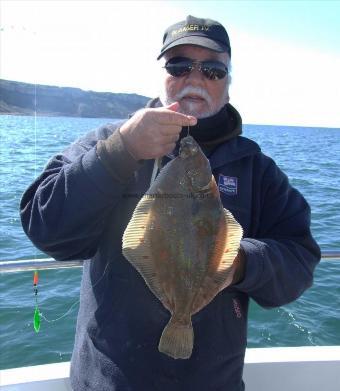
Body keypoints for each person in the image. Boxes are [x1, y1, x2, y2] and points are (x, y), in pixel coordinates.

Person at [20, 15, 321, 391]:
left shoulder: (255, 170)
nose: (195, 79)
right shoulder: (110, 143)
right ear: (162, 74)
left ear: (229, 83)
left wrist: (238, 263)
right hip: (110, 381)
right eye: (179, 66)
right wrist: (121, 150)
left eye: (212, 69)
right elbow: (46, 229)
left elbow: (301, 260)